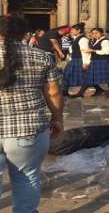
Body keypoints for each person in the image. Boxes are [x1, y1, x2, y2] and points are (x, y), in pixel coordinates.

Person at [0, 15, 64, 213]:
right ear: (24, 34)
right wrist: (57, 118)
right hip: (28, 130)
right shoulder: (42, 56)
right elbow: (53, 92)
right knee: (26, 178)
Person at [76, 28, 109, 97]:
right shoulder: (96, 41)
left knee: (107, 77)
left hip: (103, 61)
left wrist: (93, 50)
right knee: (89, 77)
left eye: (96, 33)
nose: (94, 35)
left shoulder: (105, 41)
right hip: (95, 61)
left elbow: (106, 52)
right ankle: (82, 92)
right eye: (93, 33)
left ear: (102, 33)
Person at [62, 23, 90, 97]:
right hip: (74, 59)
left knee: (82, 77)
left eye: (73, 30)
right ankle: (64, 90)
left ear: (78, 31)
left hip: (79, 60)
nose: (71, 31)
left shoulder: (83, 39)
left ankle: (80, 92)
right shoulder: (76, 38)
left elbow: (85, 52)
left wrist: (86, 63)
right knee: (66, 75)